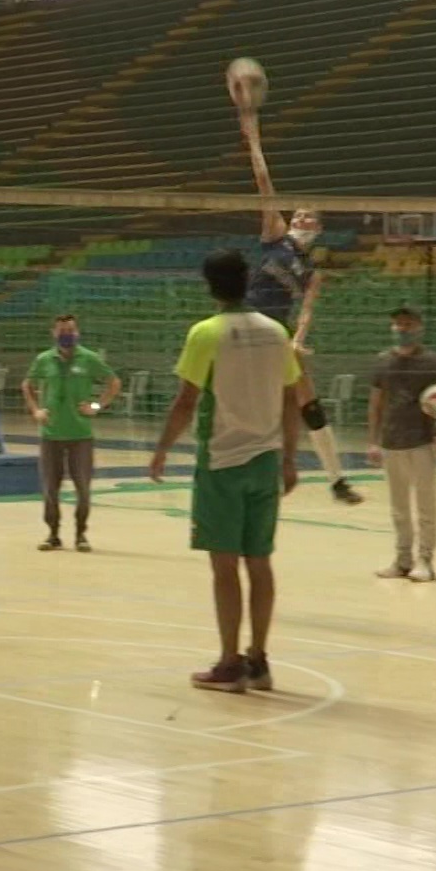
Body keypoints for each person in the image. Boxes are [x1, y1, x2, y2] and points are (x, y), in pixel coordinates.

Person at [149, 249, 302, 694]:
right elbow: (292, 398)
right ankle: (259, 660)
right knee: (260, 562)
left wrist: (161, 449)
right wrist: (290, 458)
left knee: (224, 565)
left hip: (222, 461)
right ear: (248, 281)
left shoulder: (206, 333)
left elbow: (186, 401)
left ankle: (229, 662)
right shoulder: (277, 333)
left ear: (209, 285)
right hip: (266, 460)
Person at [251, 204, 362, 506]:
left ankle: (337, 481)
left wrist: (298, 339)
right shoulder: (275, 237)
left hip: (278, 332)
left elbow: (306, 310)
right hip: (248, 325)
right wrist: (255, 154)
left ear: (318, 229)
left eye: (308, 216)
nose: (301, 218)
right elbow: (265, 190)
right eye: (297, 214)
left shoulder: (311, 272)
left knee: (308, 403)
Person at [366, 307, 436, 583]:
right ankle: (402, 560)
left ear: (419, 327)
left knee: (425, 504)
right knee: (398, 506)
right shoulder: (383, 361)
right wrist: (372, 441)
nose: (402, 329)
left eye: (408, 324)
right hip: (391, 442)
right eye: (397, 324)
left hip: (421, 442)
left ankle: (425, 559)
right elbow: (376, 403)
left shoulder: (433, 362)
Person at [22, 313, 121, 552]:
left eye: (71, 330)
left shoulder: (88, 359)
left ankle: (81, 534)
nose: (67, 335)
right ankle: (53, 534)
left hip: (80, 435)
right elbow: (28, 384)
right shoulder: (45, 359)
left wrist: (97, 406)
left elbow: (113, 382)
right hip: (51, 435)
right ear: (54, 333)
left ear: (77, 333)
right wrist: (36, 410)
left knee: (83, 488)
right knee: (50, 487)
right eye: (62, 331)